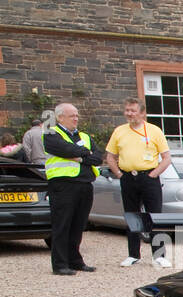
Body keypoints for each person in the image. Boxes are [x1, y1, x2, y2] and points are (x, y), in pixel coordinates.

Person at [105, 97, 172, 267]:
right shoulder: (119, 131)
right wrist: (120, 174)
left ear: (142, 113)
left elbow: (166, 157)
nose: (129, 114)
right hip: (128, 177)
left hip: (148, 177)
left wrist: (153, 174)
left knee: (154, 215)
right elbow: (110, 157)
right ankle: (133, 254)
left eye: (133, 110)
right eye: (127, 110)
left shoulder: (154, 131)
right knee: (131, 215)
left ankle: (159, 255)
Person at [43, 103, 103, 276]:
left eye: (77, 115)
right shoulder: (51, 133)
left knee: (78, 225)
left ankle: (75, 261)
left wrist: (81, 157)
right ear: (60, 117)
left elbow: (98, 158)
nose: (76, 118)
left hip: (85, 185)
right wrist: (86, 153)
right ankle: (60, 264)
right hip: (63, 185)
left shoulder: (84, 135)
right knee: (62, 225)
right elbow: (63, 149)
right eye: (72, 115)